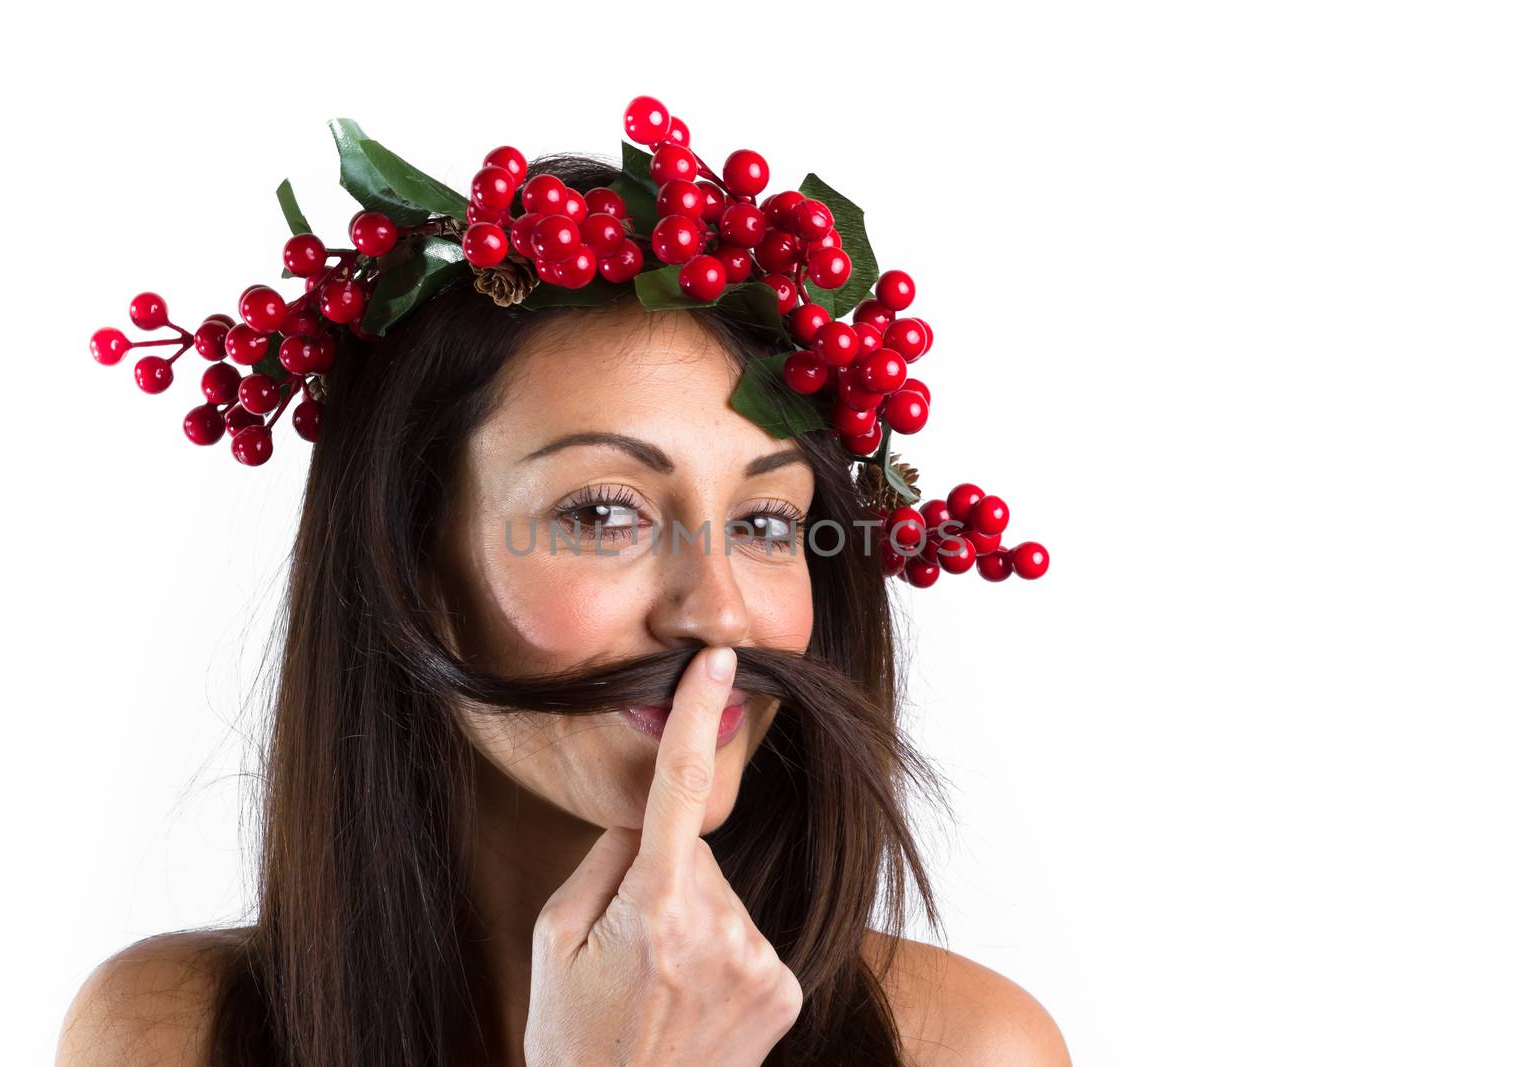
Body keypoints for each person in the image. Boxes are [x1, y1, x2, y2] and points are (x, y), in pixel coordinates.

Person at [59, 108, 1069, 1065]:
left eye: (765, 523)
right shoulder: (169, 1033)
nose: (717, 612)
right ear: (411, 558)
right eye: (601, 512)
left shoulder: (968, 1045)